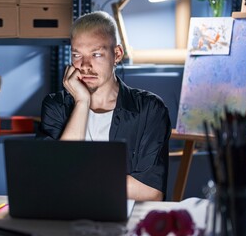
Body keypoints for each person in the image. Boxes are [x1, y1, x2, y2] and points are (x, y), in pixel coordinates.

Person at [38, 11, 171, 201]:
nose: (84, 66)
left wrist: (75, 177)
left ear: (117, 54)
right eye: (77, 55)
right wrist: (82, 103)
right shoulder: (55, 106)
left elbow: (151, 192)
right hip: (68, 219)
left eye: (96, 54)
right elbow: (53, 180)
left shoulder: (150, 109)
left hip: (126, 223)